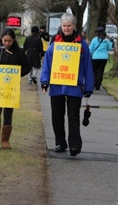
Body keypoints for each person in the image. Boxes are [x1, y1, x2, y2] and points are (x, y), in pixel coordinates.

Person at [40, 13, 93, 157]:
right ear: (61, 27)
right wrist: (44, 82)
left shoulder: (82, 45)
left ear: (74, 26)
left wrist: (88, 87)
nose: (67, 28)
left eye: (69, 25)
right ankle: (60, 143)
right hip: (57, 84)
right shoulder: (55, 44)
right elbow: (47, 64)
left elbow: (87, 65)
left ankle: (75, 145)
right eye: (64, 26)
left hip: (75, 86)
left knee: (73, 115)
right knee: (57, 115)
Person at [0, 28, 31, 149]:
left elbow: (27, 67)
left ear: (13, 40)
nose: (7, 43)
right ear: (1, 39)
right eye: (4, 41)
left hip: (12, 87)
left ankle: (5, 140)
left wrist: (17, 74)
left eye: (9, 41)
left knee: (8, 111)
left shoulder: (19, 52)